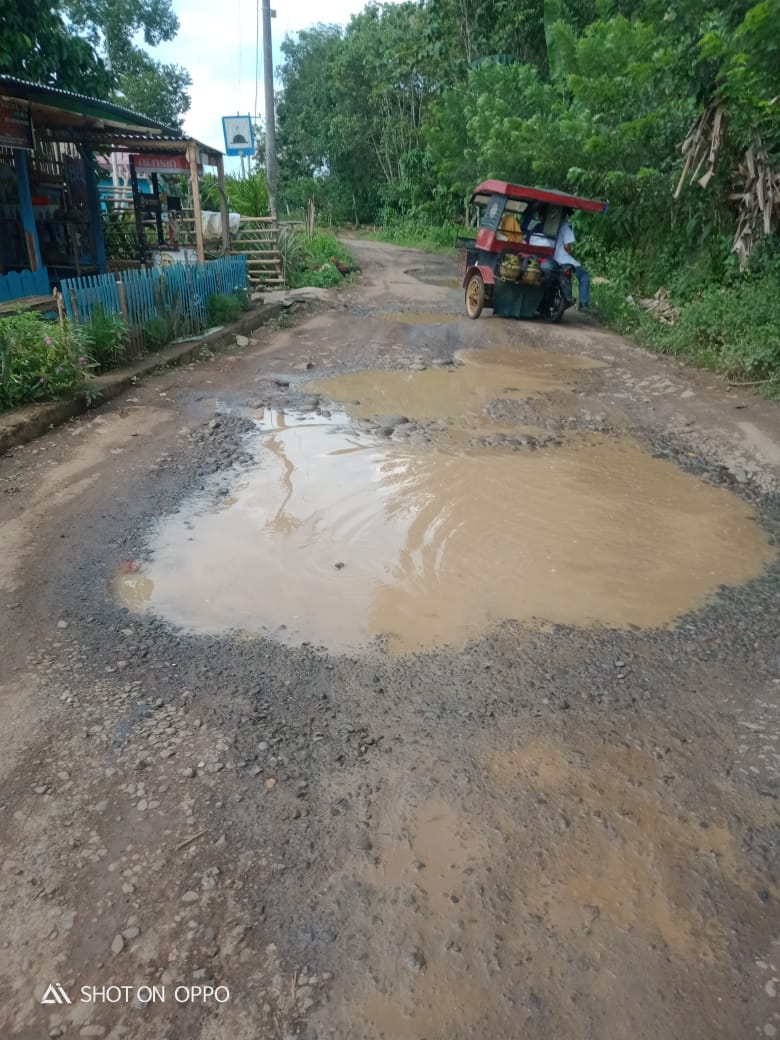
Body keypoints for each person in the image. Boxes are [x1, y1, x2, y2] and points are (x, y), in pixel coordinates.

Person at [554, 214, 591, 312]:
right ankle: (584, 304)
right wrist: (572, 256)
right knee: (584, 276)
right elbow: (567, 247)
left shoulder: (546, 224)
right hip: (564, 259)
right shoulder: (564, 226)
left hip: (551, 258)